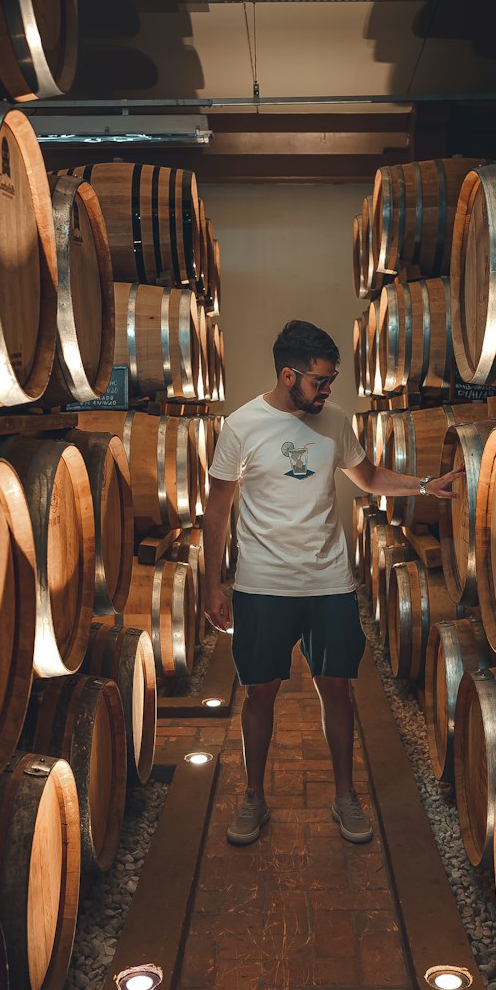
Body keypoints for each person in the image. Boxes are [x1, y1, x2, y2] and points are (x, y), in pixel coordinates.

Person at [202, 319, 464, 847]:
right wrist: (213, 584)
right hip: (263, 584)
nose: (327, 390)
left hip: (328, 582)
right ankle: (254, 797)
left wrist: (424, 486)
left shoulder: (336, 421)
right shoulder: (242, 426)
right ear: (287, 374)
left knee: (339, 690)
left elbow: (366, 478)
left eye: (331, 380)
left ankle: (345, 797)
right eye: (320, 381)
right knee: (258, 694)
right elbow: (217, 510)